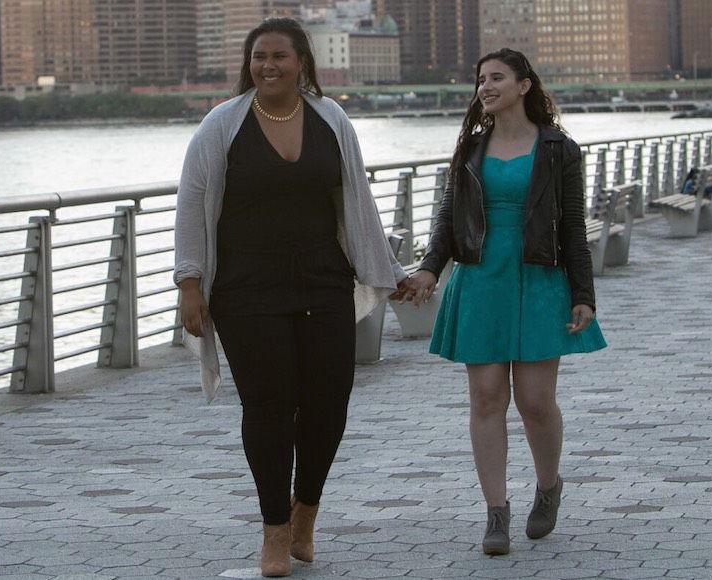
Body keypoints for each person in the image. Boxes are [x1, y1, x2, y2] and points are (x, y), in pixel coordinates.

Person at [174, 18, 407, 578]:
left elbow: (357, 199)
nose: (268, 66)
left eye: (279, 56)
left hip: (323, 281)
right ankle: (275, 530)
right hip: (247, 289)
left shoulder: (332, 120)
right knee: (269, 405)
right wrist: (189, 282)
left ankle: (307, 512)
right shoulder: (221, 125)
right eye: (259, 57)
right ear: (248, 64)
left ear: (302, 60)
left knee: (329, 401)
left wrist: (388, 270)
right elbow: (193, 202)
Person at [401, 48, 607, 555]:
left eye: (497, 78)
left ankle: (549, 485)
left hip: (541, 278)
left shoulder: (559, 149)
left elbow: (574, 226)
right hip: (481, 279)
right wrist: (430, 267)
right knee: (487, 397)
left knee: (536, 402)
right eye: (480, 80)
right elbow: (448, 217)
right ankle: (496, 512)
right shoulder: (470, 149)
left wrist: (583, 294)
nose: (485, 87)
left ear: (524, 86)